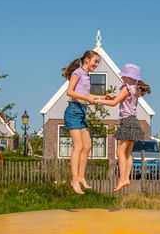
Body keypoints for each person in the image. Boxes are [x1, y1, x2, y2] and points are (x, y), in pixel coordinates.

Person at [62, 50, 111, 194]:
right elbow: (70, 92)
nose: (96, 64)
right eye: (95, 61)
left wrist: (103, 97)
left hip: (82, 112)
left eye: (97, 62)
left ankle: (81, 177)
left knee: (88, 146)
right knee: (78, 146)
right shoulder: (77, 72)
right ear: (87, 60)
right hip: (73, 111)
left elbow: (86, 95)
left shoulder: (87, 75)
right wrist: (89, 100)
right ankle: (74, 180)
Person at [97, 64, 151, 192]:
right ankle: (126, 178)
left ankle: (122, 179)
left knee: (120, 152)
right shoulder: (134, 88)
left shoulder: (127, 88)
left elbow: (114, 103)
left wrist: (99, 100)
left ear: (128, 76)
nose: (122, 77)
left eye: (124, 75)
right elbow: (120, 100)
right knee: (128, 153)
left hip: (127, 121)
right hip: (134, 121)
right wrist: (113, 97)